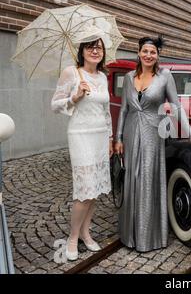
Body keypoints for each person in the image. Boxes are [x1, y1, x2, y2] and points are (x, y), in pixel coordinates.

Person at [114, 36, 191, 252]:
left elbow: (177, 106)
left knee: (148, 180)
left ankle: (149, 236)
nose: (148, 55)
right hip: (130, 133)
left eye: (152, 52)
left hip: (152, 135)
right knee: (131, 181)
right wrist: (117, 138)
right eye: (145, 51)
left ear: (157, 56)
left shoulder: (165, 76)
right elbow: (124, 109)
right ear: (138, 53)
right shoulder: (128, 77)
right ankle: (130, 234)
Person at [51, 31, 113, 261]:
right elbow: (54, 105)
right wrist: (74, 97)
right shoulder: (71, 73)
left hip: (99, 136)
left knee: (95, 188)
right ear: (82, 51)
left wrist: (110, 138)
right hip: (80, 135)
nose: (95, 50)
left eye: (99, 47)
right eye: (90, 47)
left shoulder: (103, 77)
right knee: (84, 189)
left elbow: (106, 112)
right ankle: (72, 236)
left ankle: (86, 233)